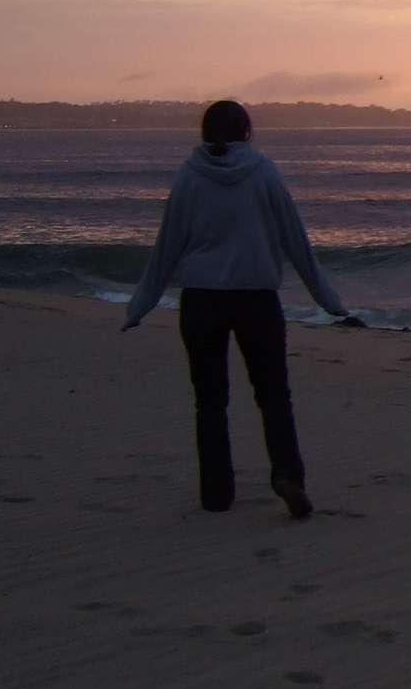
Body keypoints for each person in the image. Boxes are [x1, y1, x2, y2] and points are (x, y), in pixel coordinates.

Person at [123, 100, 353, 519]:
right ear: (247, 131)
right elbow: (295, 241)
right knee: (273, 396)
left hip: (201, 299)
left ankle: (216, 494)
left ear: (205, 131)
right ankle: (287, 475)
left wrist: (138, 307)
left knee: (210, 402)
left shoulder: (189, 177)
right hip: (256, 299)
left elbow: (166, 247)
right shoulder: (263, 171)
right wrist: (331, 303)